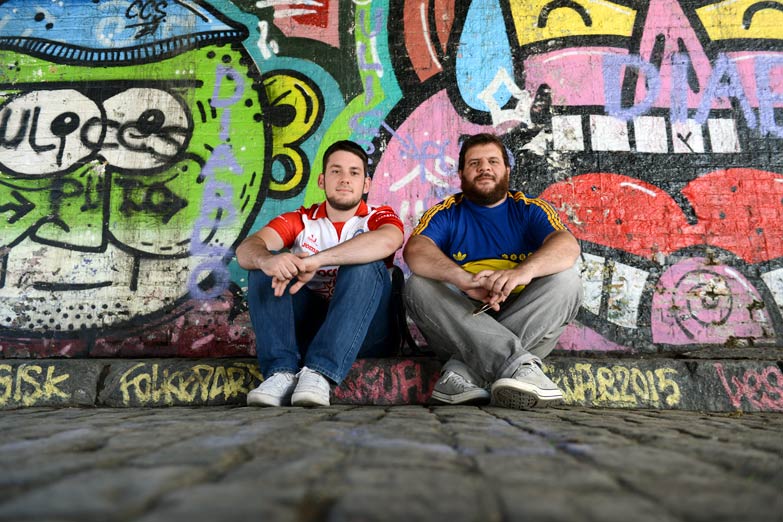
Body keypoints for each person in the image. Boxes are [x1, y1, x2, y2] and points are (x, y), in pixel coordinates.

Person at [403, 133, 583, 410]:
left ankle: (461, 373)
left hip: (527, 314)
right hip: (465, 315)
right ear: (461, 174)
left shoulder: (529, 209)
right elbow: (415, 250)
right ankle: (520, 369)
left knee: (567, 281)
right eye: (474, 163)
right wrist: (464, 281)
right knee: (417, 286)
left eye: (493, 162)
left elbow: (567, 246)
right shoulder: (447, 212)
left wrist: (522, 273)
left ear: (507, 170)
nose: (484, 168)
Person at [236, 140, 404, 407]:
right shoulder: (301, 220)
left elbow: (388, 241)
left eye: (354, 172)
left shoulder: (378, 216)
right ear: (322, 180)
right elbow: (247, 249)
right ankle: (280, 373)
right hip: (311, 332)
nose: (345, 179)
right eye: (336, 171)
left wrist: (316, 261)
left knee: (364, 265)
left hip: (369, 335)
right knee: (265, 266)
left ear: (366, 184)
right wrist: (267, 260)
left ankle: (319, 373)